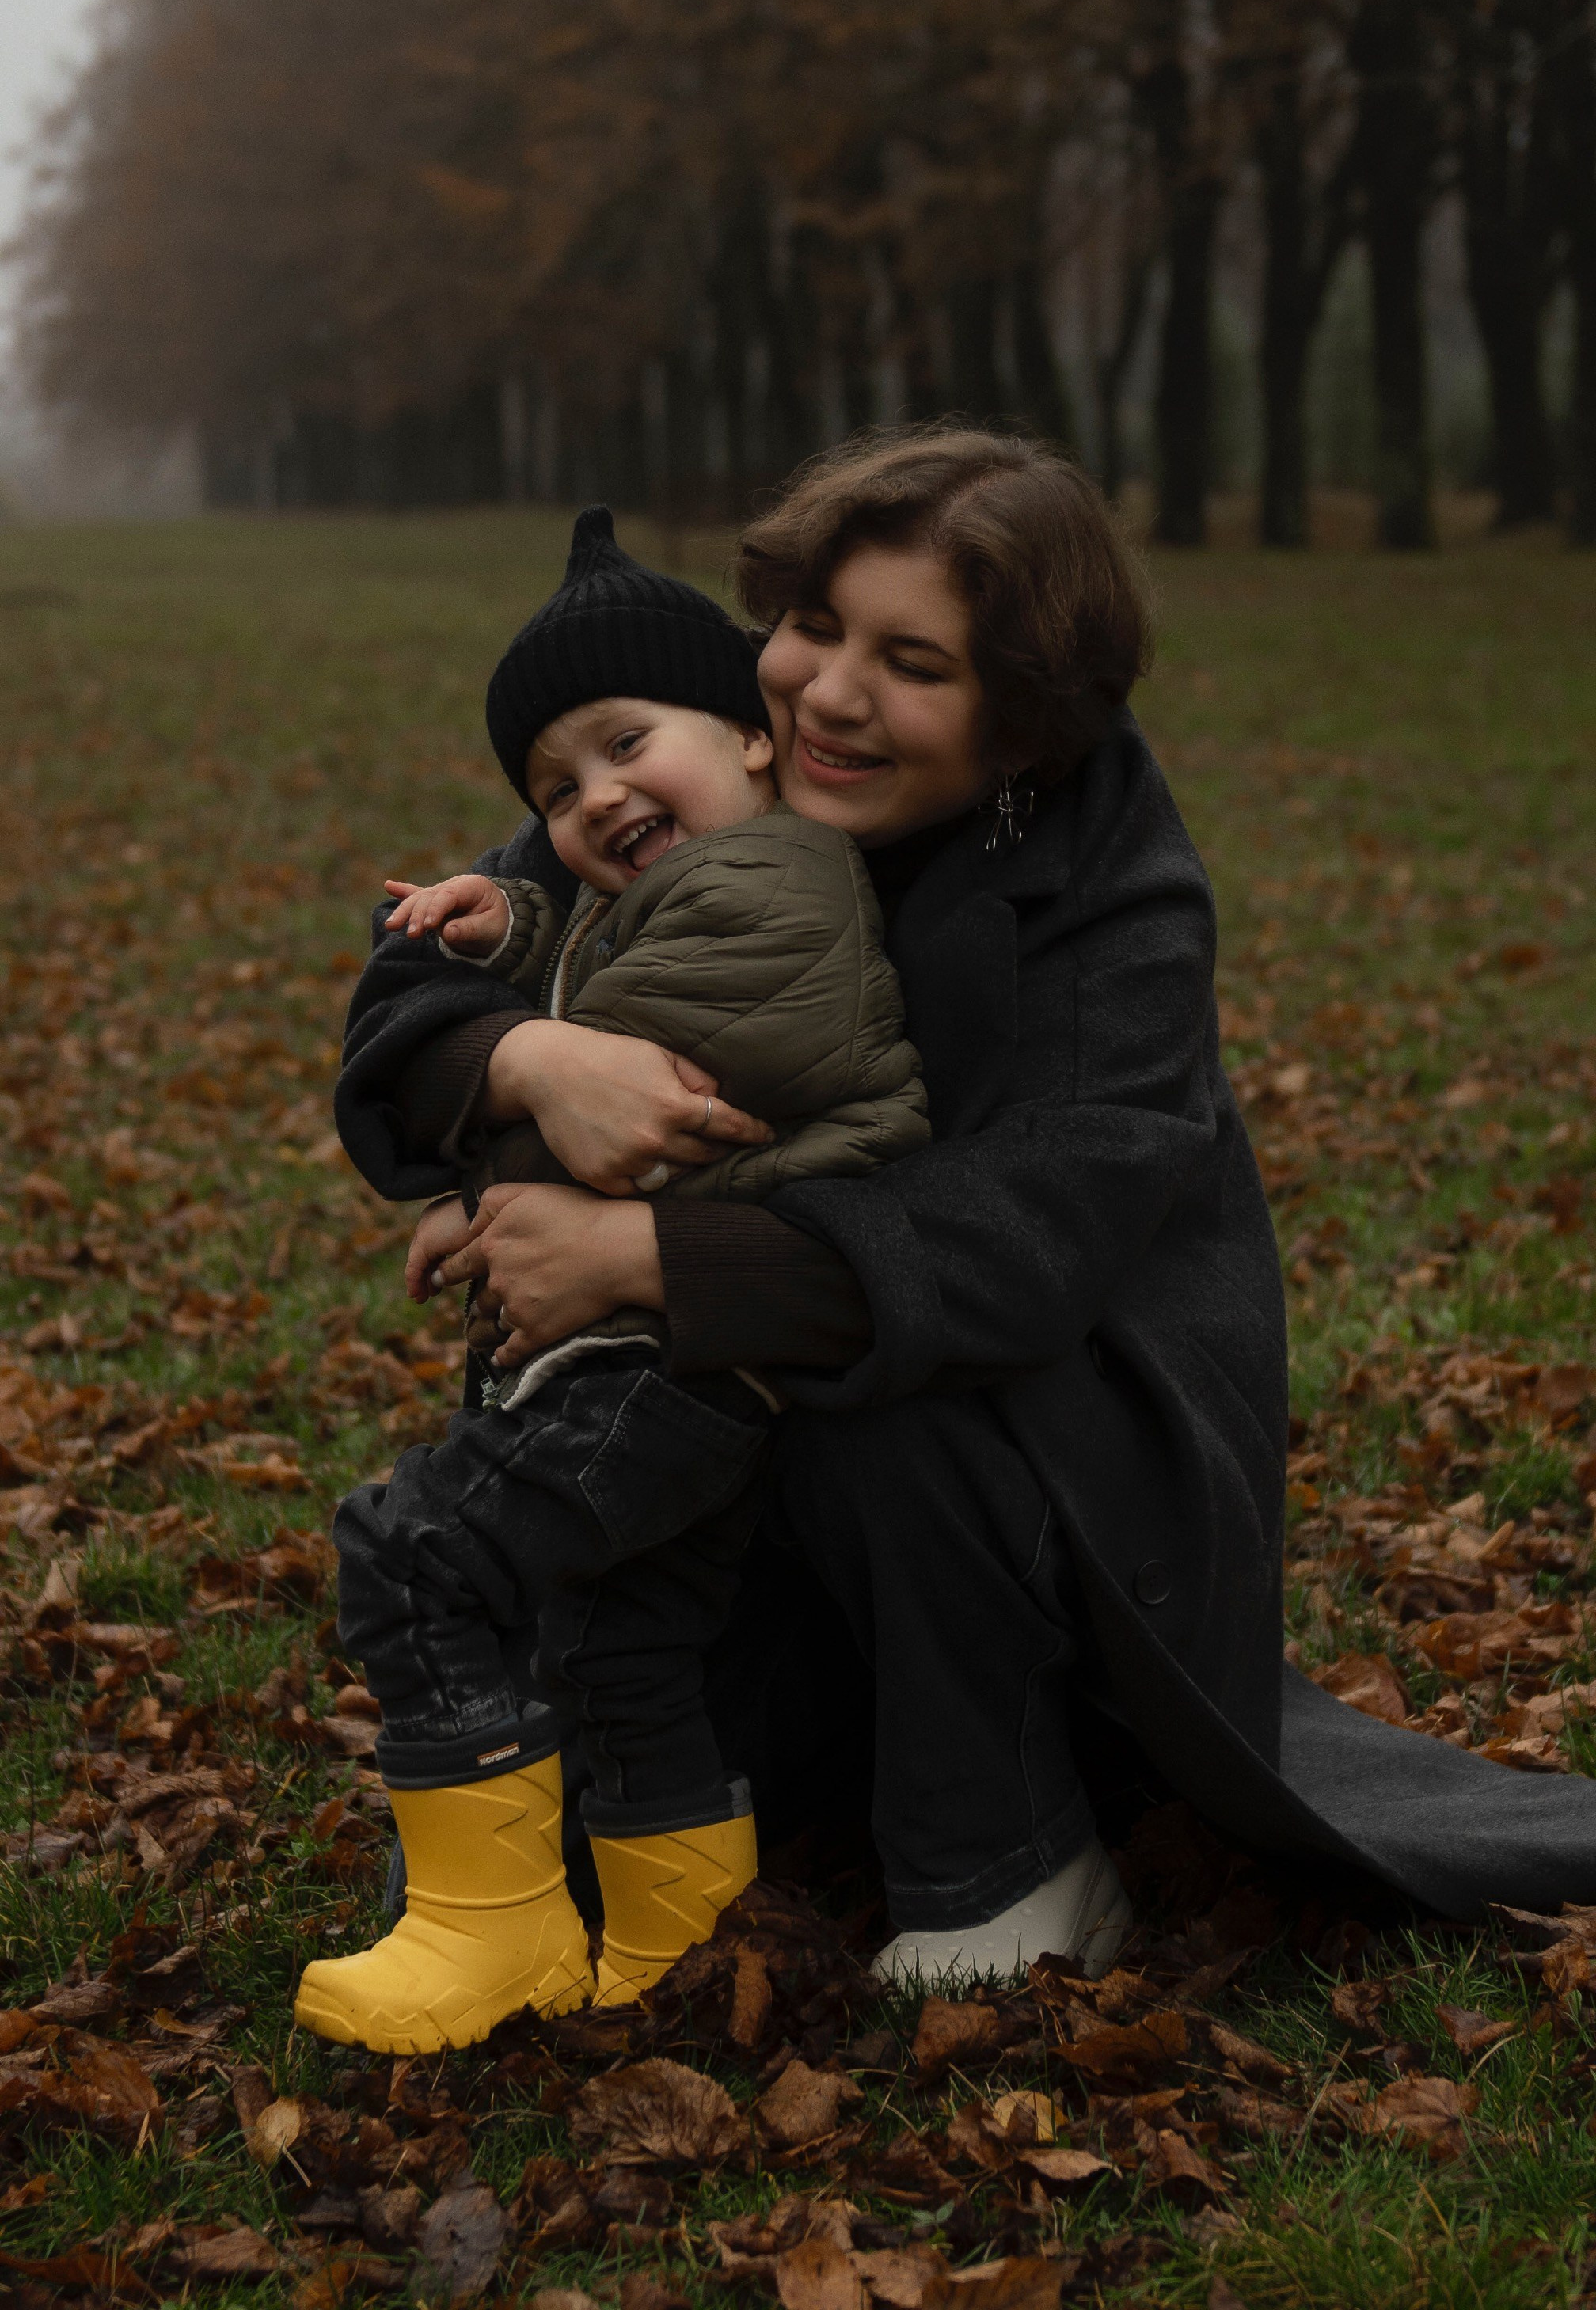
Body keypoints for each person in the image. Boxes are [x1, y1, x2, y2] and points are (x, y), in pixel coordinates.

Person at [336, 424, 1596, 1991]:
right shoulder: (696, 760)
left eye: (911, 662)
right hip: (742, 1416)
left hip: (1056, 1421)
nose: (829, 694)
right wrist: (525, 1057)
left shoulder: (1103, 876)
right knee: (603, 1717)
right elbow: (420, 981)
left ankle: (1009, 1855)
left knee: (880, 1387)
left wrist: (646, 1253)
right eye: (811, 628)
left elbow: (1022, 1238)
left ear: (1020, 723)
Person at [295, 510, 928, 2055]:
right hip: (697, 1366)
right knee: (625, 1643)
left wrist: (508, 1165)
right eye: (555, 790)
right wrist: (507, 922)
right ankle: (677, 1946)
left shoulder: (787, 892)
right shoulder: (705, 874)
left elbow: (668, 1037)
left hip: (655, 1361)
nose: (595, 798)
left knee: (421, 1552)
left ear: (758, 739)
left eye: (627, 742)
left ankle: (487, 1929)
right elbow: (600, 955)